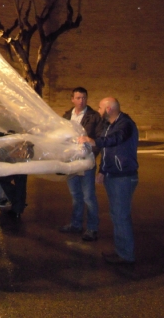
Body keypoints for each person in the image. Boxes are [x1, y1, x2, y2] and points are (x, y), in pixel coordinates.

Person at [79, 97, 139, 264]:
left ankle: (126, 255)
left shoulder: (125, 124)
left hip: (124, 177)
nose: (98, 111)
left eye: (100, 108)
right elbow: (107, 151)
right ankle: (121, 251)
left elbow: (116, 139)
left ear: (108, 109)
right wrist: (103, 171)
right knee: (117, 214)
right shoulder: (109, 126)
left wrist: (94, 141)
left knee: (121, 216)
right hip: (113, 175)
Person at [59, 87, 102, 241]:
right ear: (72, 99)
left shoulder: (94, 117)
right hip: (71, 161)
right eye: (78, 98)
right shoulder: (66, 116)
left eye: (84, 97)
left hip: (86, 162)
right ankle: (76, 224)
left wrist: (91, 156)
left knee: (89, 196)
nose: (81, 100)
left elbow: (98, 139)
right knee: (75, 195)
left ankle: (92, 228)